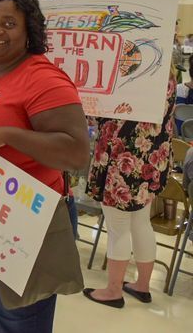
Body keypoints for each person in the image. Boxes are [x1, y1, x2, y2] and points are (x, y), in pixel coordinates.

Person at [0, 0, 88, 332]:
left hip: (28, 223)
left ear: (29, 31)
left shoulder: (42, 78)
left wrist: (9, 135)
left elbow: (77, 153)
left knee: (21, 322)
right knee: (0, 316)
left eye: (9, 23)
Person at [82, 65, 176, 308]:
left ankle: (113, 290)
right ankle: (141, 286)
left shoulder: (131, 71)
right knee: (140, 221)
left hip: (122, 158)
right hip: (151, 157)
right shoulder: (168, 72)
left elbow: (106, 114)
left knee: (118, 226)